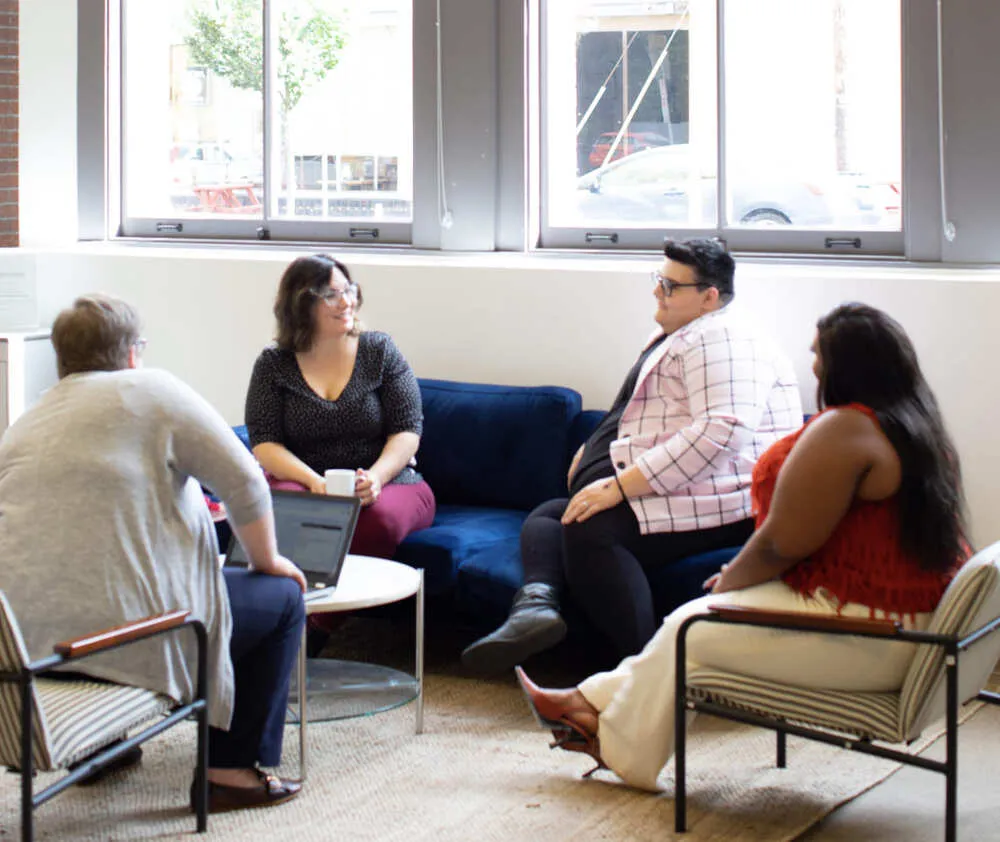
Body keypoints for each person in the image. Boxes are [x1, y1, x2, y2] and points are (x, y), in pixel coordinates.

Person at [516, 302, 970, 792]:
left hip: (873, 631)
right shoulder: (915, 426)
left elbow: (781, 543)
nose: (814, 366)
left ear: (848, 364)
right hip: (901, 619)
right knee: (690, 626)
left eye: (819, 354)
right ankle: (587, 707)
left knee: (691, 630)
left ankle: (609, 738)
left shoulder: (847, 429)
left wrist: (731, 582)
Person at [0, 295, 307, 813]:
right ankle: (229, 772)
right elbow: (246, 482)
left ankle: (101, 751)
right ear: (132, 353)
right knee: (281, 600)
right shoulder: (153, 390)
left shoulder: (27, 422)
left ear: (62, 360)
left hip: (31, 650)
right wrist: (268, 561)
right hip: (127, 645)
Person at [461, 238, 802, 673]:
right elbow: (651, 416)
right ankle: (535, 608)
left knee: (590, 529)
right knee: (549, 516)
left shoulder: (724, 339)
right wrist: (595, 448)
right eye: (659, 279)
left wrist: (621, 486)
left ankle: (643, 672)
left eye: (671, 285)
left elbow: (723, 431)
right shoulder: (684, 334)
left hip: (726, 500)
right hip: (692, 489)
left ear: (709, 297)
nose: (657, 291)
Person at [245, 253, 436, 562]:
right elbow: (265, 442)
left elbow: (407, 429)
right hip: (305, 481)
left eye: (349, 290)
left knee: (376, 522)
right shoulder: (273, 364)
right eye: (331, 295)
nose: (346, 302)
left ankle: (342, 596)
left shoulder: (379, 350)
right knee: (288, 514)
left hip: (388, 482)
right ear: (300, 303)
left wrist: (375, 478)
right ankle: (302, 593)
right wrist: (313, 482)